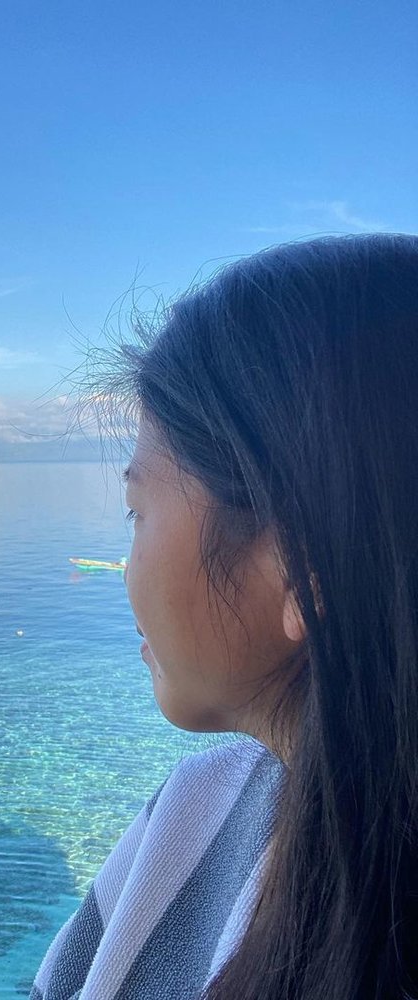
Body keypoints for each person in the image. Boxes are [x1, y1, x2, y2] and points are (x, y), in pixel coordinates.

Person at [31, 234, 418, 1000]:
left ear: (297, 569)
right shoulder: (189, 815)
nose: (129, 565)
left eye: (138, 513)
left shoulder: (196, 827)